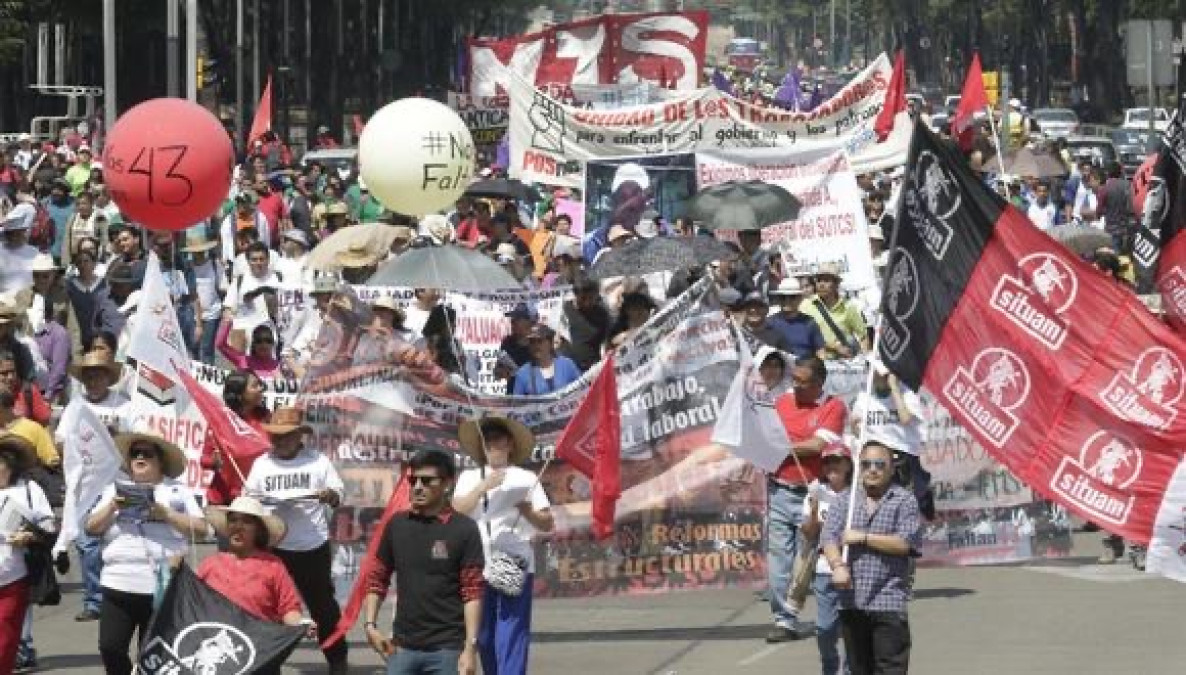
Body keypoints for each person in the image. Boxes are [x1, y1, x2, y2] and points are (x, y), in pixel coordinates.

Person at [84, 430, 207, 675]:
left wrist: (168, 515)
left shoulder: (177, 491)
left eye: (147, 454)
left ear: (160, 461)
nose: (139, 458)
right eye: (134, 454)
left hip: (160, 585)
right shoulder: (114, 490)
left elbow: (202, 530)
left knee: (152, 655)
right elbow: (91, 528)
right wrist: (111, 507)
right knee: (110, 647)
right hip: (118, 583)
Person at [244, 406, 348, 673]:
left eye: (286, 435)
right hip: (273, 546)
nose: (279, 441)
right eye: (275, 435)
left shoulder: (317, 461)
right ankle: (267, 664)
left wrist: (329, 496)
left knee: (323, 607)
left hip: (310, 545)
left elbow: (338, 494)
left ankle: (337, 661)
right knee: (267, 608)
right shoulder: (262, 464)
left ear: (300, 435)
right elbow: (248, 499)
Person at [363, 449, 484, 675]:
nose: (417, 486)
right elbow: (378, 577)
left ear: (447, 483)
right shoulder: (397, 525)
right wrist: (370, 625)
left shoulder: (464, 529)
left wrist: (470, 648)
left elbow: (472, 592)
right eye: (413, 480)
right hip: (401, 649)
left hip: (448, 650)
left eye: (427, 480)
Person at [452, 417, 552, 675]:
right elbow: (456, 511)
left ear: (509, 443)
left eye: (498, 438)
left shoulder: (526, 477)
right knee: (482, 633)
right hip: (476, 561)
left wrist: (526, 509)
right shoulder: (469, 476)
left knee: (511, 631)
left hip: (512, 559)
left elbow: (546, 522)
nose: (492, 444)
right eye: (487, 440)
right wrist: (483, 487)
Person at [822, 440, 922, 675]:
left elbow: (905, 543)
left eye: (879, 464)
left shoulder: (903, 500)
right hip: (852, 601)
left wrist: (864, 538)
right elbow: (829, 538)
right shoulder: (845, 500)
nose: (873, 470)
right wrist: (837, 565)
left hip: (888, 599)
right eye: (866, 464)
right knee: (859, 669)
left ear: (891, 468)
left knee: (890, 669)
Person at [766, 356, 848, 642]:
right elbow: (764, 436)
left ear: (819, 383)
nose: (796, 386)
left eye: (804, 382)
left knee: (810, 559)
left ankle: (831, 617)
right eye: (794, 380)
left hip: (813, 494)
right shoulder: (781, 402)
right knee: (779, 560)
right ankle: (784, 619)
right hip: (779, 489)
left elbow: (817, 446)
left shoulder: (833, 407)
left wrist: (780, 447)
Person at [199, 495, 310, 632]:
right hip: (214, 644)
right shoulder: (210, 564)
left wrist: (301, 625)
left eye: (246, 522)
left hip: (259, 645)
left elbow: (288, 608)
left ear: (258, 530)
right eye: (233, 520)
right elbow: (194, 603)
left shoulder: (273, 566)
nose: (238, 527)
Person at [0, 434, 56, 675]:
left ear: (10, 465)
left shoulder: (29, 490)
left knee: (5, 641)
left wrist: (29, 536)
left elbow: (49, 524)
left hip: (13, 576)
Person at [800, 442, 854, 675]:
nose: (832, 466)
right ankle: (830, 666)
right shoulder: (815, 492)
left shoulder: (858, 494)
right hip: (824, 569)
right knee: (825, 628)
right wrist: (813, 511)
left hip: (854, 569)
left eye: (837, 461)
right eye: (827, 462)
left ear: (848, 465)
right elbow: (809, 533)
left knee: (853, 627)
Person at [850, 360, 930, 518]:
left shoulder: (907, 394)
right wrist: (854, 426)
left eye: (878, 371)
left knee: (907, 506)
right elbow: (858, 431)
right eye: (870, 369)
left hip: (903, 458)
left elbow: (905, 418)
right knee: (877, 506)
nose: (874, 374)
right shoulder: (864, 397)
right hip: (876, 458)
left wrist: (894, 388)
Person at [200, 370, 270, 508]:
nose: (261, 388)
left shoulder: (266, 417)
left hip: (255, 499)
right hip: (225, 500)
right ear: (240, 395)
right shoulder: (221, 421)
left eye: (260, 384)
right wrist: (214, 462)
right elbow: (204, 459)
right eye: (255, 386)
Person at [800, 264, 869, 358]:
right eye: (819, 280)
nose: (821, 284)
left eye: (826, 280)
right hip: (818, 364)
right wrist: (834, 347)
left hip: (846, 365)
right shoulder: (806, 306)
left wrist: (864, 359)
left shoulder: (848, 307)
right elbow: (803, 336)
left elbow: (863, 336)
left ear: (836, 284)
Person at [181, 230, 225, 365]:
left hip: (212, 312)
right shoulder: (187, 267)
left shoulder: (213, 264)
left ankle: (208, 378)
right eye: (195, 252)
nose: (198, 254)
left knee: (207, 349)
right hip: (193, 314)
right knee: (193, 347)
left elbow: (222, 286)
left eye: (200, 251)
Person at [767, 278, 827, 359]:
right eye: (783, 297)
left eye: (792, 297)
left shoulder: (809, 323)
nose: (787, 300)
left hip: (805, 368)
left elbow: (820, 350)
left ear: (800, 299)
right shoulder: (770, 323)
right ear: (778, 299)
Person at [512, 325, 581, 396]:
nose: (536, 346)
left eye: (540, 341)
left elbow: (581, 389)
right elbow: (517, 403)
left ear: (550, 343)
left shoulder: (567, 364)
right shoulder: (522, 373)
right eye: (532, 342)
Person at [560, 276, 609, 371]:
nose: (587, 303)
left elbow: (605, 341)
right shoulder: (563, 310)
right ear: (575, 294)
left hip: (592, 368)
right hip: (568, 368)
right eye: (583, 298)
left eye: (591, 298)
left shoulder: (601, 314)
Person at [0, 204, 39, 295]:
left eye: (19, 233)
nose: (14, 237)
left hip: (28, 299)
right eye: (10, 233)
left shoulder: (34, 252)